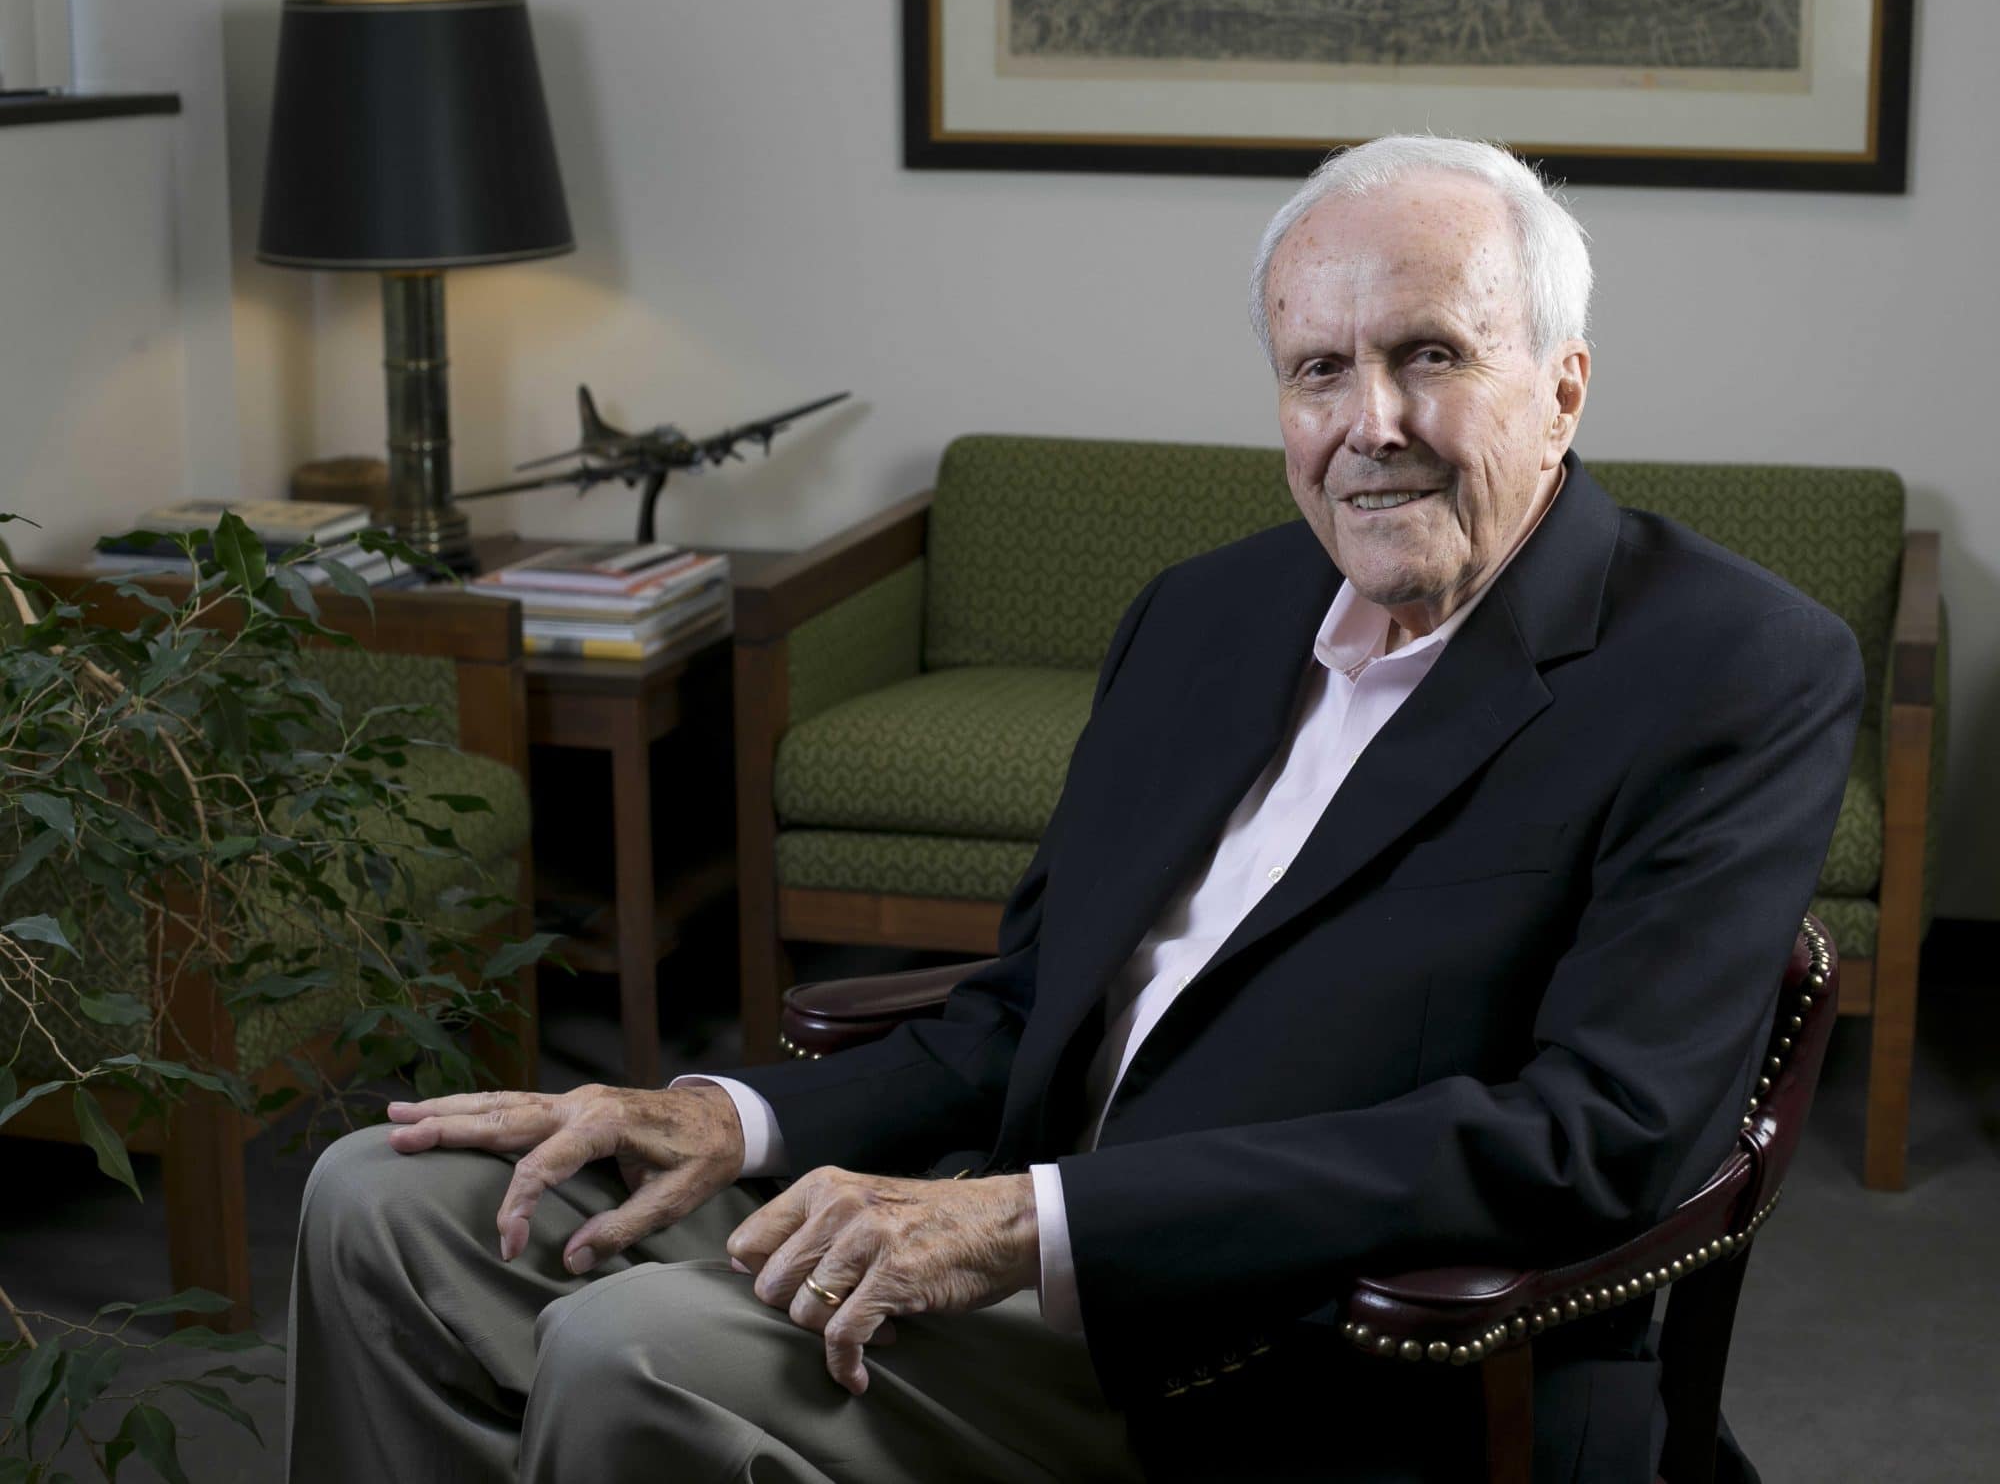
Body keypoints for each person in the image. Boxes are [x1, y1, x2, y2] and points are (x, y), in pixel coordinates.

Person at [287, 136, 1862, 1483]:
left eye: (1431, 355)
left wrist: (1028, 1222)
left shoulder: (1732, 666)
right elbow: (1025, 1009)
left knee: (636, 1350)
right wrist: (729, 1118)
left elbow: (1595, 1140)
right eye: (1318, 370)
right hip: (1002, 1220)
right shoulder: (1206, 614)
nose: (1368, 422)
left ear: (1563, 387)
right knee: (384, 1203)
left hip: (1305, 1343)